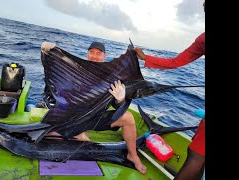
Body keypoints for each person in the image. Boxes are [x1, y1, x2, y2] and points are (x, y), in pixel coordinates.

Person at [41, 41, 147, 174]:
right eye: (92, 52)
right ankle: (79, 133)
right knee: (44, 136)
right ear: (87, 54)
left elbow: (117, 107)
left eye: (98, 53)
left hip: (93, 117)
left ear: (104, 56)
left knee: (128, 118)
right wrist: (47, 52)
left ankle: (133, 155)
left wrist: (120, 99)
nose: (95, 56)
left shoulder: (112, 76)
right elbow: (52, 83)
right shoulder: (76, 70)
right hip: (71, 118)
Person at [133, 1, 205, 179]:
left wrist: (144, 57)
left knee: (196, 154)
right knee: (197, 151)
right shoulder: (203, 39)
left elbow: (176, 62)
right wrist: (145, 57)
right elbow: (176, 61)